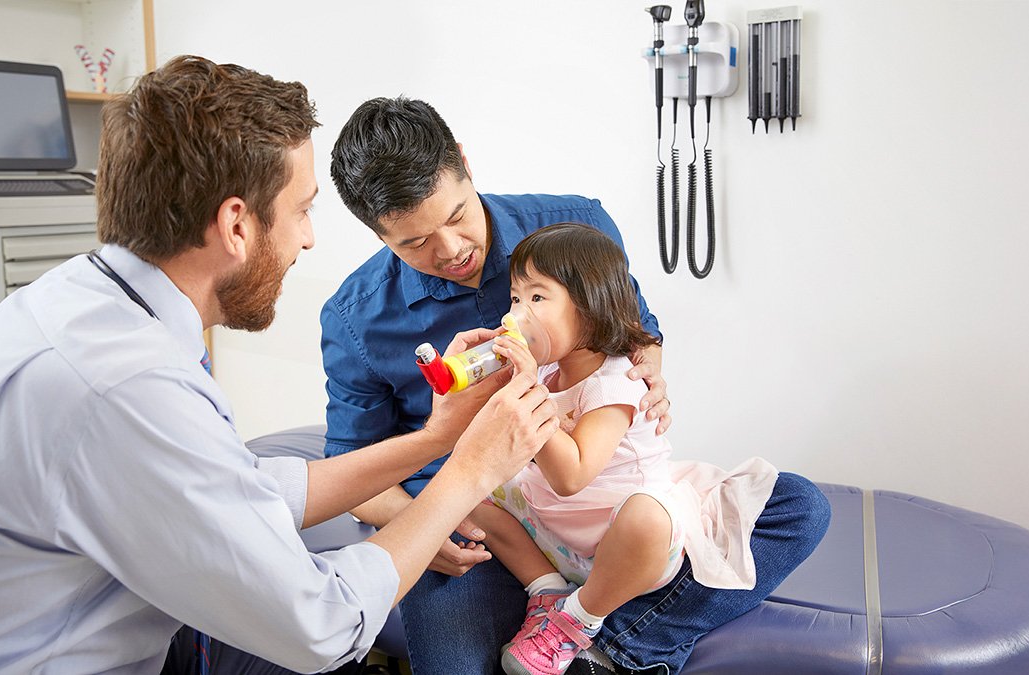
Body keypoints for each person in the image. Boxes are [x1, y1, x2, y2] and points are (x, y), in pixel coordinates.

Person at [0, 57, 561, 674]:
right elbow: (320, 624)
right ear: (235, 226)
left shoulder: (93, 304)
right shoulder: (125, 388)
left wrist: (437, 439)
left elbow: (238, 485)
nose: (307, 241)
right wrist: (468, 470)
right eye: (302, 211)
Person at [321, 97, 832, 674]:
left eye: (457, 215)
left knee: (797, 506)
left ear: (464, 163)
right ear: (375, 232)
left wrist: (646, 373)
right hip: (479, 520)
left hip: (596, 501)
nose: (451, 250)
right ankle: (577, 623)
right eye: (414, 242)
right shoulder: (354, 317)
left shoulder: (574, 228)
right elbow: (350, 469)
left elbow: (636, 331)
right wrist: (421, 524)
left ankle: (617, 649)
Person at [461, 223, 780, 674]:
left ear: (590, 308)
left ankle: (577, 621)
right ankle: (547, 589)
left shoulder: (615, 382)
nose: (518, 314)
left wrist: (527, 389)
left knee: (649, 519)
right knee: (467, 489)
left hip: (619, 539)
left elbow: (571, 476)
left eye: (537, 298)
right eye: (515, 298)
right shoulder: (549, 371)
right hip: (557, 532)